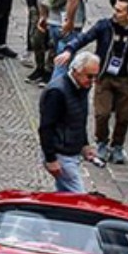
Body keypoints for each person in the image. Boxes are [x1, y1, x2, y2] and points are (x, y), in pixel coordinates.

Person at [57, 0, 128, 165]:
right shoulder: (105, 26)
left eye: (119, 10)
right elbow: (85, 38)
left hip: (127, 80)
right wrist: (69, 49)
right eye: (115, 9)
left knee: (124, 117)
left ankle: (117, 145)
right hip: (104, 77)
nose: (115, 13)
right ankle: (102, 141)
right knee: (102, 113)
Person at [38, 50, 101, 192]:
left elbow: (78, 120)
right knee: (78, 199)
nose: (92, 81)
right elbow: (46, 127)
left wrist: (84, 145)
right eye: (89, 76)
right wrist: (51, 159)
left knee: (65, 196)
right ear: (76, 71)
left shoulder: (82, 87)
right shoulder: (57, 92)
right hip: (61, 153)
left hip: (70, 152)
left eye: (95, 77)